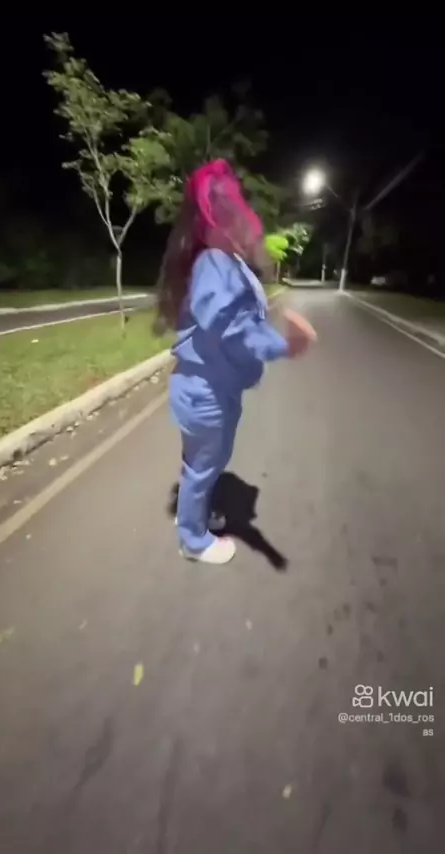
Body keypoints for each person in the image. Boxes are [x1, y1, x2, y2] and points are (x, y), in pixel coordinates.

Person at [155, 159, 316, 564]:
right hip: (206, 395)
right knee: (204, 464)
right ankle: (193, 539)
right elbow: (231, 327)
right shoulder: (214, 263)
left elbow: (233, 319)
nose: (239, 221)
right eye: (226, 213)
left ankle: (194, 514)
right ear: (210, 224)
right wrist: (285, 345)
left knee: (201, 463)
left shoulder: (223, 262)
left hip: (208, 390)